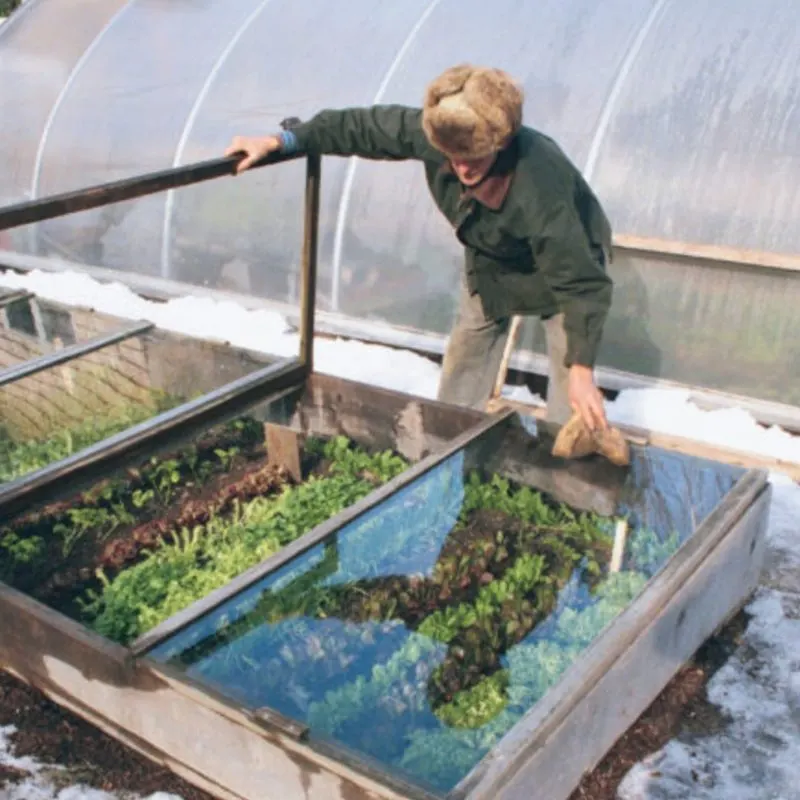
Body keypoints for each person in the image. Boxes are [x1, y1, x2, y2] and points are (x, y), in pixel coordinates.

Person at [225, 64, 613, 433]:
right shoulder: (441, 132)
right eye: (453, 157)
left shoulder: (539, 183)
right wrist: (283, 141)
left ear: (500, 142)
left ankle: (565, 474)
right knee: (466, 355)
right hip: (492, 256)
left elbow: (579, 283)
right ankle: (451, 446)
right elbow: (359, 128)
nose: (462, 168)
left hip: (566, 267)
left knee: (572, 386)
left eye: (474, 157)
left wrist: (582, 369)